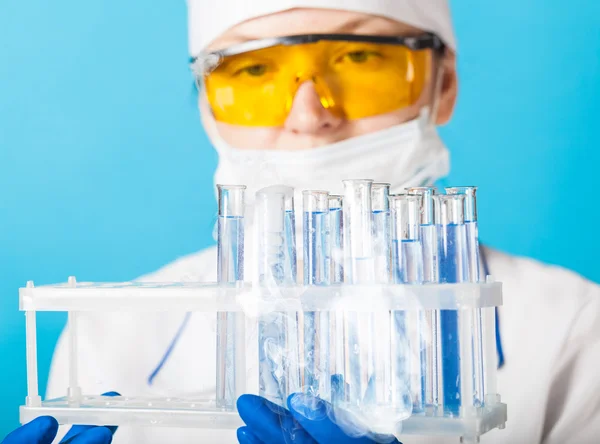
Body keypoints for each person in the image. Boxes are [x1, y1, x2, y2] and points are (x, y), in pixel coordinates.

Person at [4, 0, 600, 443]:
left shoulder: (572, 330)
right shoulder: (116, 337)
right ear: (207, 104)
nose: (309, 114)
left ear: (444, 85)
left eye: (361, 58)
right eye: (255, 72)